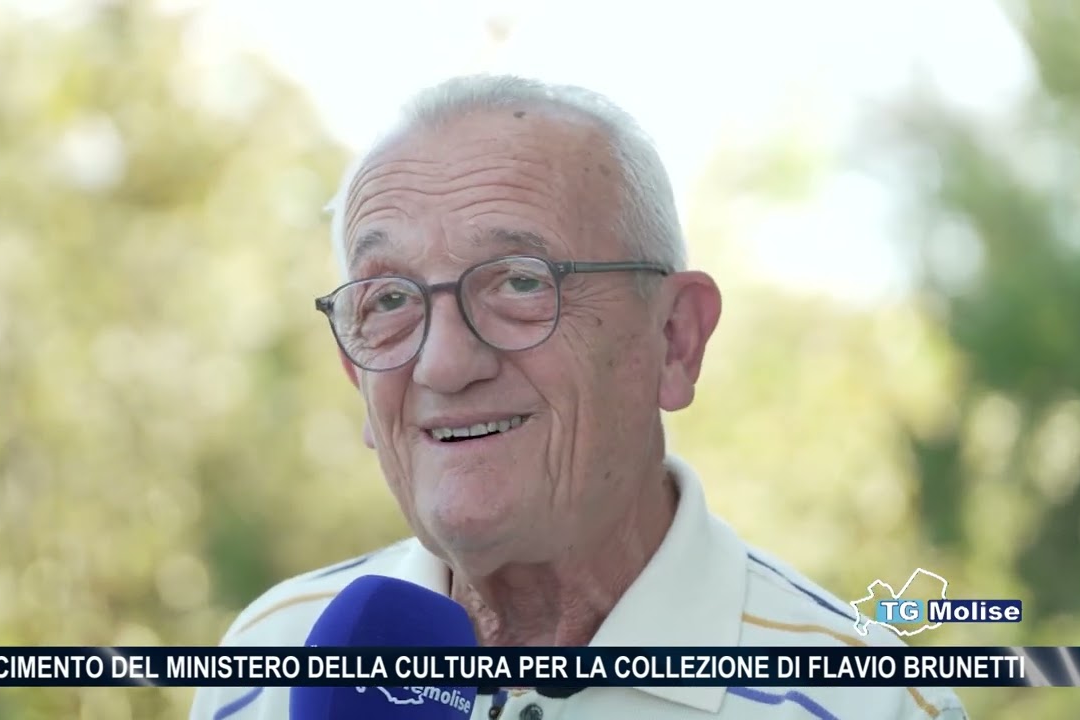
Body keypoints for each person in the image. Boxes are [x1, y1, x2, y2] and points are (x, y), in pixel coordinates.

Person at [189, 74, 968, 720]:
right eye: (388, 300)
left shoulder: (873, 704)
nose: (443, 364)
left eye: (520, 283)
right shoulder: (271, 661)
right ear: (355, 374)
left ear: (675, 340)